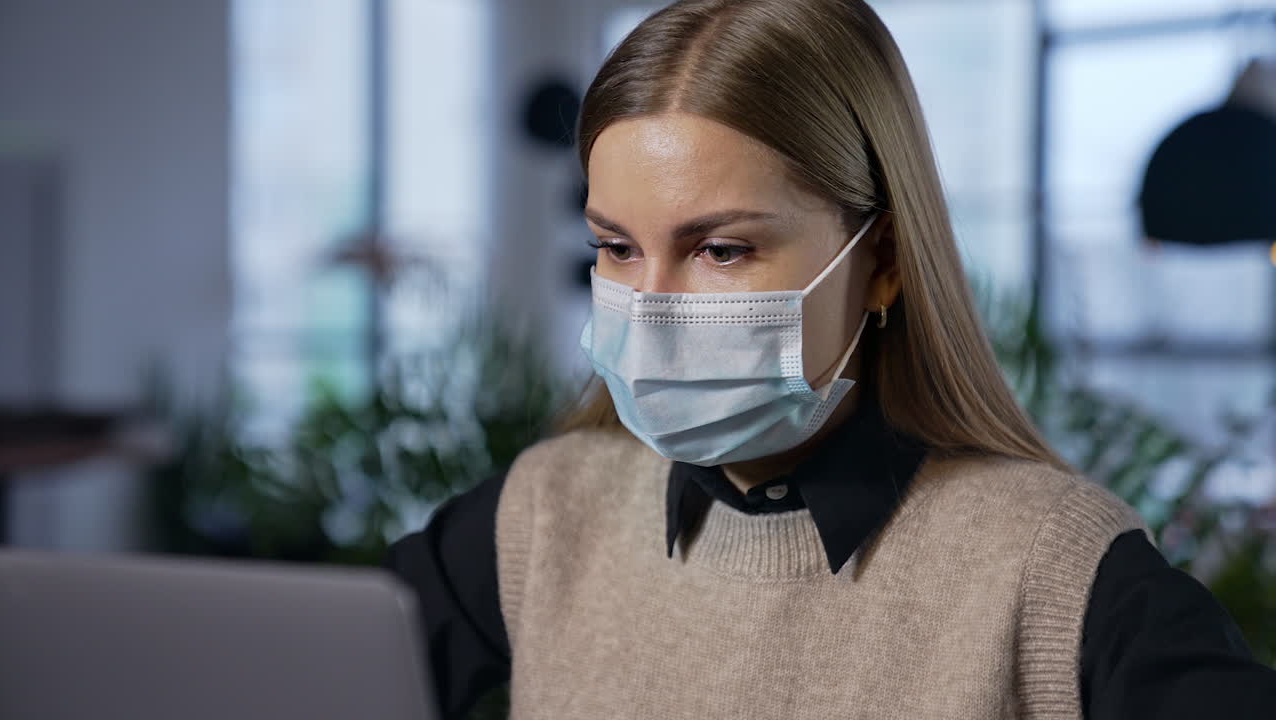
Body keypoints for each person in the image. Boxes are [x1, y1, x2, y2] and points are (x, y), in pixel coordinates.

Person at [383, 0, 1276, 717]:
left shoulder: (1051, 569)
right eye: (617, 248)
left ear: (881, 262)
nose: (650, 307)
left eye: (721, 250)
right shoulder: (544, 512)